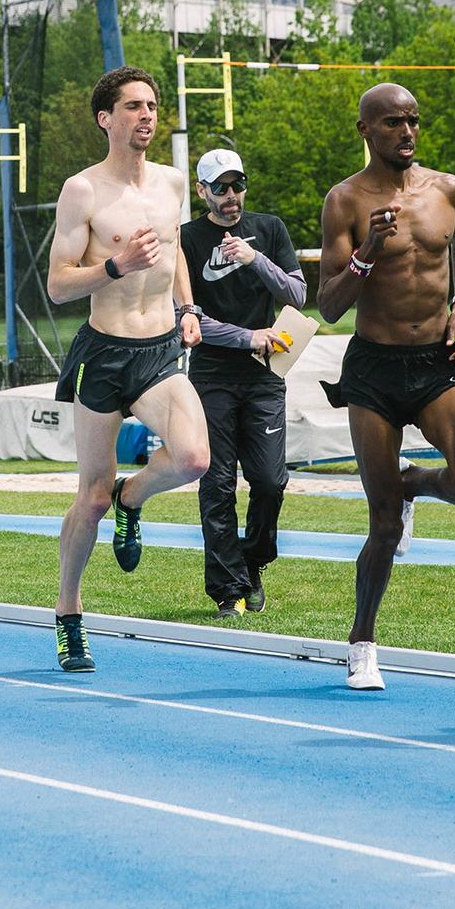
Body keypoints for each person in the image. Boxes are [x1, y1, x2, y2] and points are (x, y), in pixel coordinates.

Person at [314, 83, 455, 691]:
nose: (407, 131)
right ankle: (362, 642)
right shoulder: (344, 201)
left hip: (436, 362)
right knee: (384, 525)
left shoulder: (448, 189)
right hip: (374, 372)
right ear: (365, 130)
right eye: (393, 122)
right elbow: (329, 305)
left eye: (414, 120)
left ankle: (415, 481)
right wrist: (367, 250)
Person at [42, 66, 212, 672]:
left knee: (194, 459)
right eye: (134, 106)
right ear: (105, 118)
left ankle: (132, 498)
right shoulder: (83, 190)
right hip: (105, 354)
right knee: (90, 499)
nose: (147, 115)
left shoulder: (171, 183)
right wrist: (115, 266)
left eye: (152, 105)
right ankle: (68, 612)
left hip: (160, 349)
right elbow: (58, 285)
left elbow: (175, 252)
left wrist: (188, 308)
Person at [179, 148, 303, 618]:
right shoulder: (186, 239)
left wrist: (255, 259)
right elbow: (184, 318)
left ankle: (253, 562)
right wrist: (246, 337)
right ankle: (226, 589)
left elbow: (297, 293)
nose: (232, 195)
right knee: (216, 485)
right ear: (202, 191)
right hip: (211, 377)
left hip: (265, 377)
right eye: (221, 188)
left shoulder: (269, 229)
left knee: (270, 481)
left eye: (238, 185)